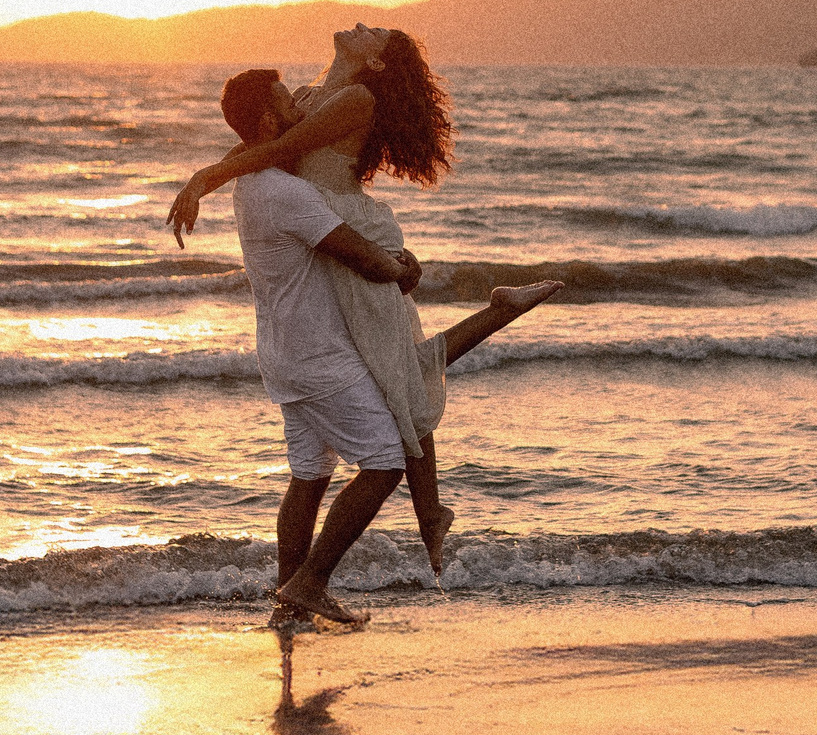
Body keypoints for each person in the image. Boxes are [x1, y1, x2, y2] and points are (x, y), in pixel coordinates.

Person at [203, 64, 557, 623]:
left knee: (308, 475)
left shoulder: (253, 185)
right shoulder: (287, 193)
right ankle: (311, 583)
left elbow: (257, 166)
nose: (298, 104)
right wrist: (403, 268)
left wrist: (203, 179)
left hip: (283, 355)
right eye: (285, 100)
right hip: (321, 358)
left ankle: (288, 602)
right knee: (386, 461)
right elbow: (360, 256)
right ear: (268, 117)